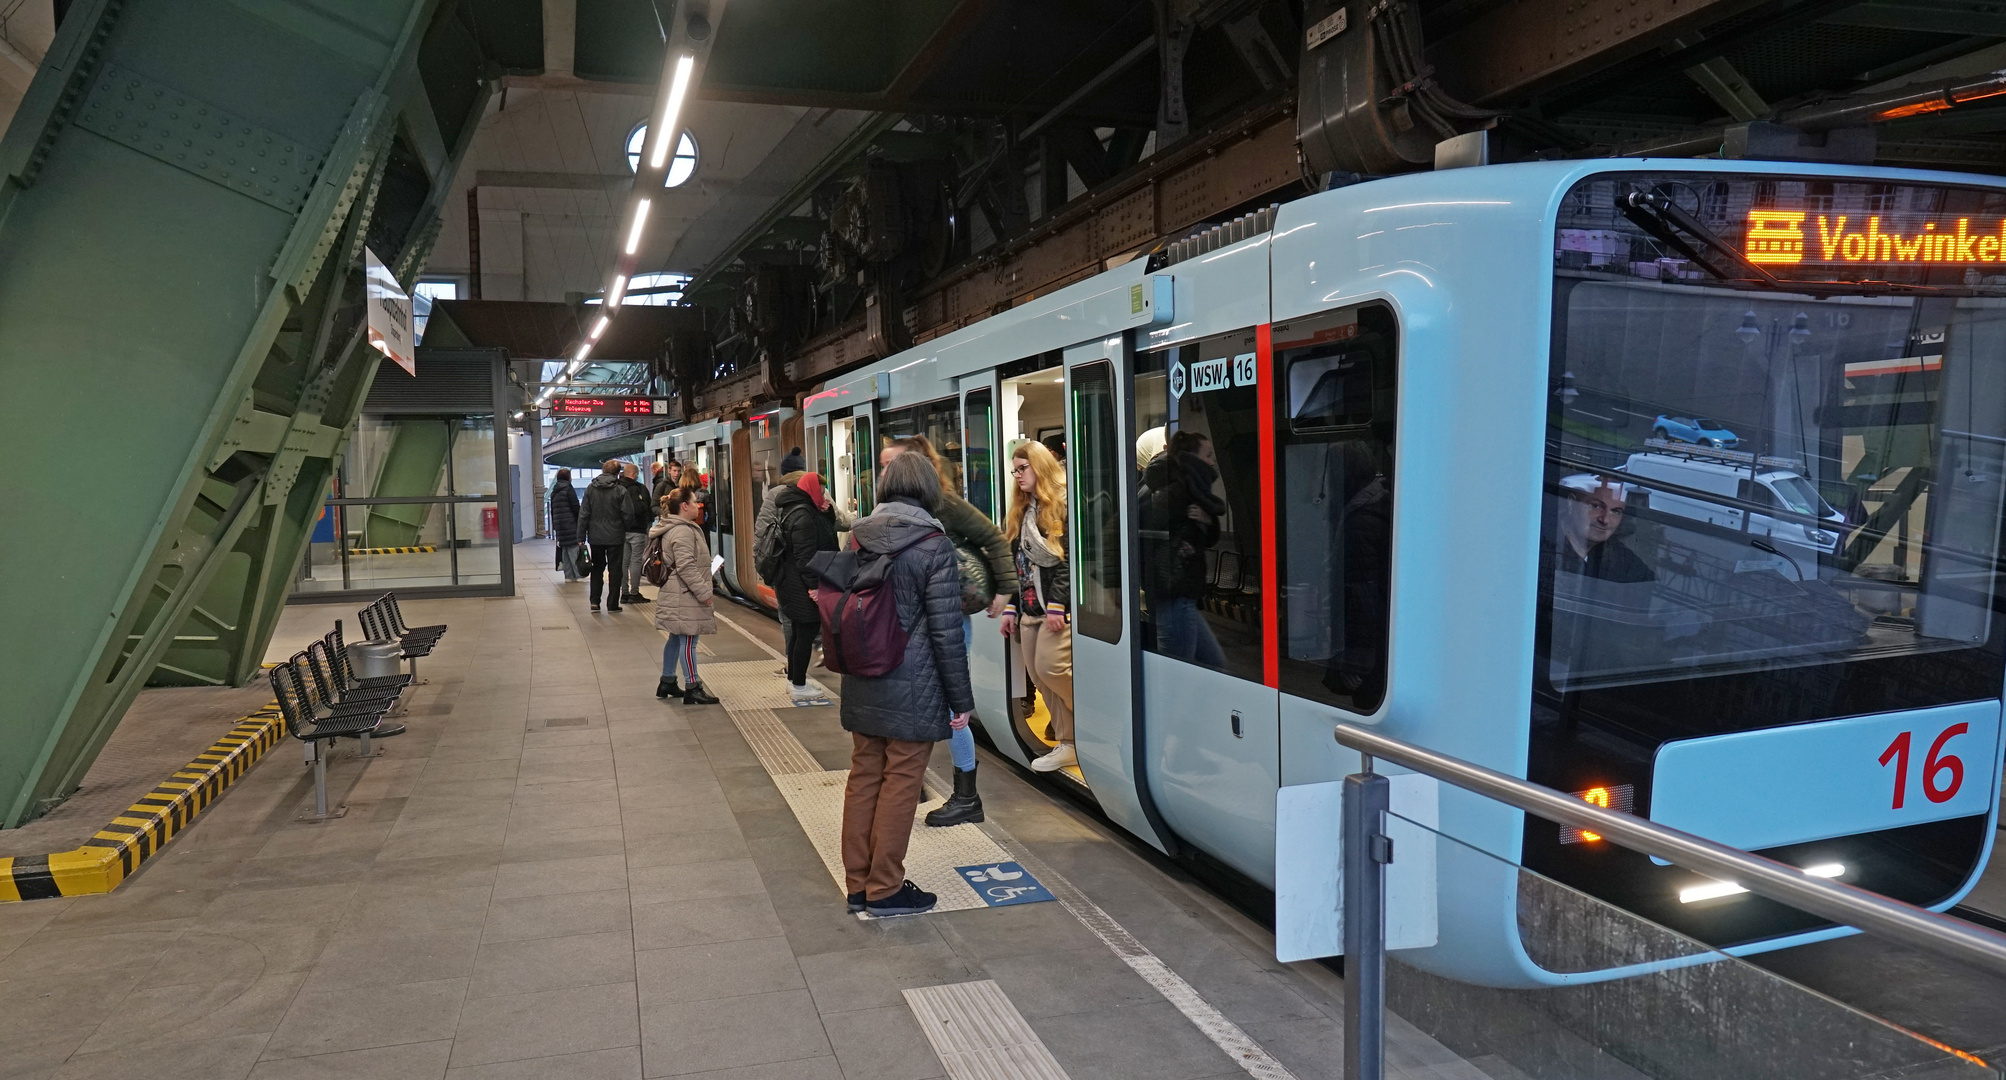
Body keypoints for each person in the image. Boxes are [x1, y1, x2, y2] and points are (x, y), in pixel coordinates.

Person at [837, 451, 974, 917]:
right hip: (913, 684)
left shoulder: (858, 536)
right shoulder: (932, 544)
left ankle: (858, 884)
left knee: (864, 775)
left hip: (863, 674)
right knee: (901, 780)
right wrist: (961, 700)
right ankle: (886, 888)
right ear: (928, 490)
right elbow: (945, 631)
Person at [881, 436, 1017, 827]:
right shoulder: (894, 509)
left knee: (951, 704)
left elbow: (992, 536)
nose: (884, 471)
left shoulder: (945, 503)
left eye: (891, 463)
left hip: (948, 613)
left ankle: (966, 796)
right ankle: (918, 780)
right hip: (914, 616)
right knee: (921, 699)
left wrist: (1005, 590)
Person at [1002, 440, 1076, 772]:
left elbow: (1066, 562)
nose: (1017, 475)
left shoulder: (1061, 505)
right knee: (1039, 678)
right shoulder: (1022, 511)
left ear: (1039, 467)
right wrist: (1010, 608)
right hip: (1029, 609)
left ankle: (1094, 722)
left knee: (1052, 669)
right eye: (1014, 470)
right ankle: (1069, 742)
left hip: (1053, 609)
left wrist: (1059, 603)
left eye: (1023, 468)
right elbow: (1018, 566)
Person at [1140, 430, 1227, 669]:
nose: (1211, 461)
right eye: (1207, 455)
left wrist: (1207, 522)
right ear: (1191, 457)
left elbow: (1203, 536)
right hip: (1174, 593)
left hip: (1182, 594)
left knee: (1214, 665)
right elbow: (1148, 532)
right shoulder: (1174, 491)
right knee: (1179, 670)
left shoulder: (1188, 489)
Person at [770, 468, 840, 705]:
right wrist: (814, 587)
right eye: (821, 491)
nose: (825, 495)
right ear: (811, 490)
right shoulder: (803, 515)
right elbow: (804, 556)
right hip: (800, 584)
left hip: (795, 582)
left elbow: (824, 533)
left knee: (802, 632)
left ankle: (795, 679)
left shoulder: (803, 509)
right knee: (805, 631)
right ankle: (798, 684)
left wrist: (826, 510)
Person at [648, 491, 721, 704]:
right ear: (684, 506)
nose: (698, 506)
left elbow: (687, 562)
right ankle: (693, 686)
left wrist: (710, 568)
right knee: (689, 640)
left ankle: (668, 680)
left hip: (677, 591)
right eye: (694, 503)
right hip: (684, 594)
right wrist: (704, 593)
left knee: (675, 636)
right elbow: (686, 567)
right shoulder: (682, 531)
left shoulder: (675, 527)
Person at [1556, 474, 1653, 583]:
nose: (1605, 519)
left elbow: (1646, 583)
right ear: (1571, 503)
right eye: (1596, 506)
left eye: (1616, 511)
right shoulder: (1545, 542)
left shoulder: (1617, 556)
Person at [577, 460, 631, 612]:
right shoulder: (620, 490)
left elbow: (584, 514)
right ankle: (613, 604)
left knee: (597, 568)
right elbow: (628, 514)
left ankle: (595, 601)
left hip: (595, 536)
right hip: (615, 536)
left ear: (603, 470)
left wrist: (581, 537)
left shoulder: (590, 489)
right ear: (617, 473)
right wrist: (624, 528)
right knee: (615, 570)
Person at [620, 462, 654, 605]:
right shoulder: (639, 489)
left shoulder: (617, 488)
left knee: (624, 562)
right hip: (637, 530)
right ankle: (634, 593)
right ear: (634, 475)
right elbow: (645, 508)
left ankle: (624, 593)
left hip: (621, 530)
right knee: (636, 561)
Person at [549, 468, 583, 581]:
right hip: (570, 523)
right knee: (573, 549)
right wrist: (580, 521)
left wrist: (555, 525)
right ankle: (578, 574)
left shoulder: (554, 491)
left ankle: (568, 575)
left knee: (564, 549)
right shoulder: (568, 489)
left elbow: (552, 510)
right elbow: (575, 506)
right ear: (568, 478)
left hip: (560, 525)